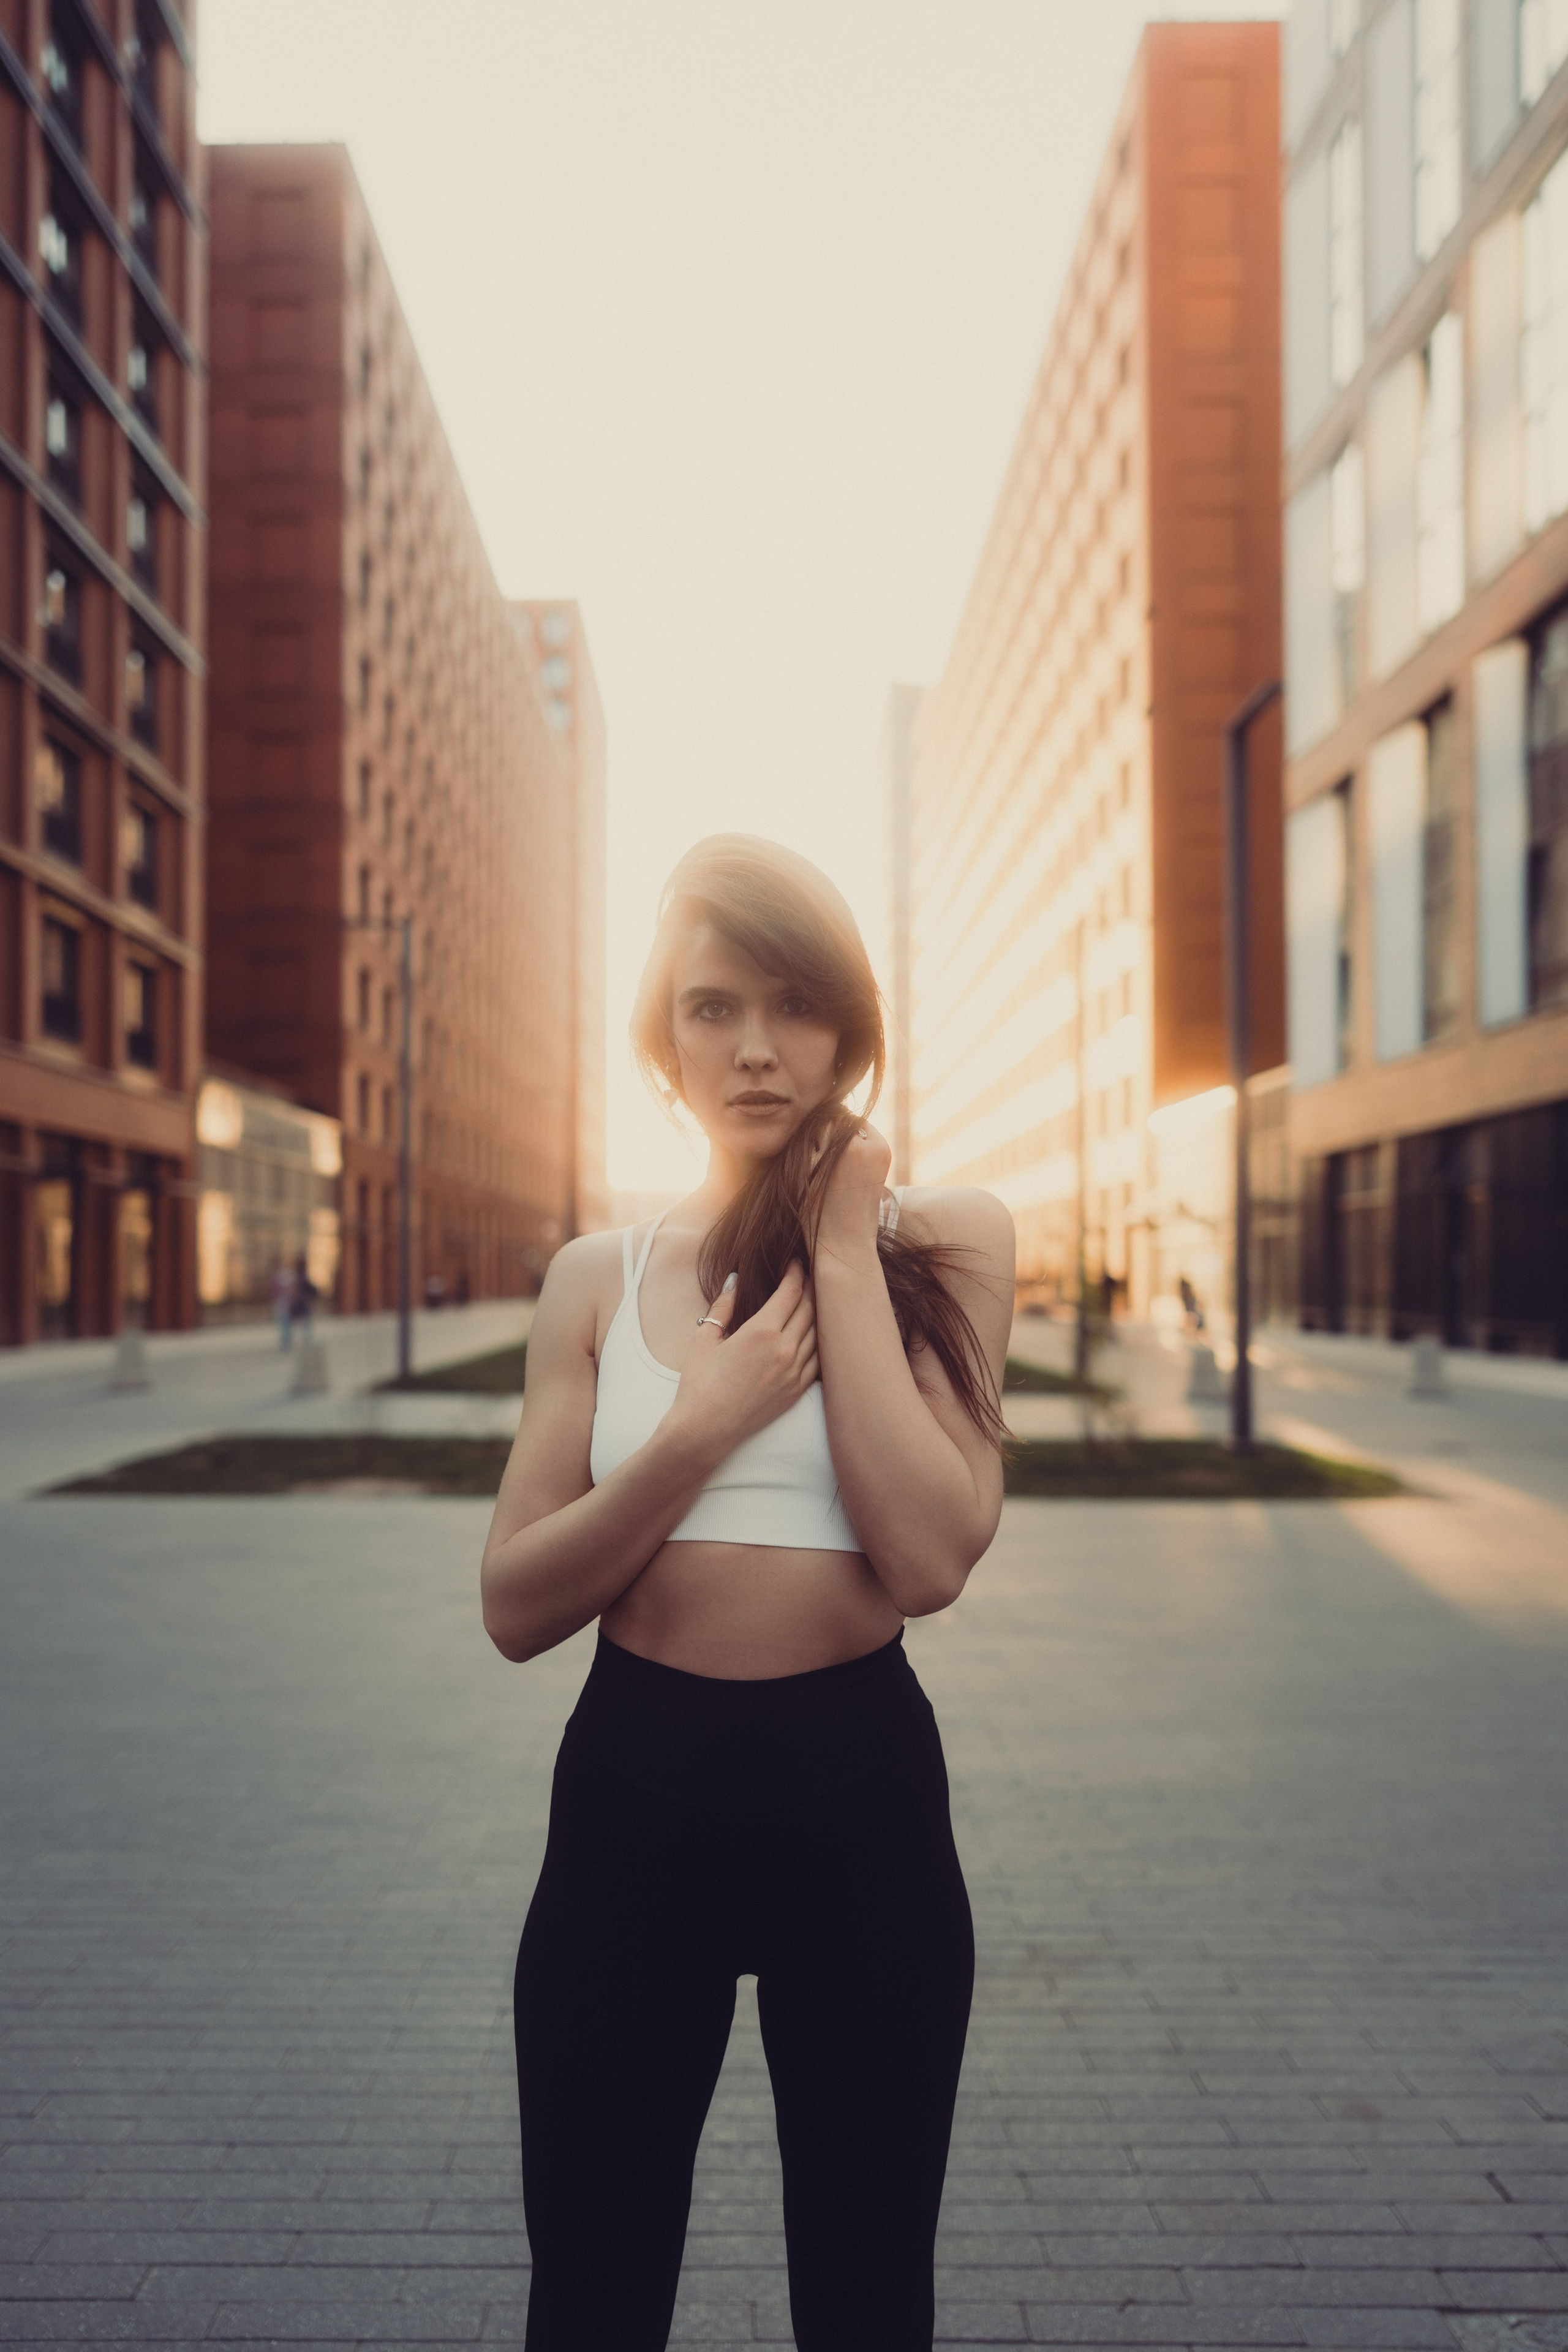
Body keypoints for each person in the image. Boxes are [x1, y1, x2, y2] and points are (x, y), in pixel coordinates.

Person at [481, 836, 1014, 2351]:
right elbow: (516, 1601)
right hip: (630, 1799)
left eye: (794, 1006)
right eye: (713, 1008)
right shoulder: (598, 1274)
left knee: (865, 2296)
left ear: (850, 1027)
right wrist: (698, 1426)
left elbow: (924, 1558)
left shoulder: (947, 1241)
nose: (757, 1049)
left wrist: (840, 1244)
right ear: (661, 1036)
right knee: (590, 2290)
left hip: (861, 1802)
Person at [288, 1253, 317, 1340]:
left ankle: (292, 1338)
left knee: (297, 1322)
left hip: (299, 1301)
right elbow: (309, 1287)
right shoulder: (302, 1276)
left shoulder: (296, 1275)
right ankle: (306, 1338)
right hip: (302, 1301)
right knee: (305, 1321)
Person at [270, 1261, 295, 1351]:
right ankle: (286, 1340)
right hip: (281, 1303)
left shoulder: (283, 1278)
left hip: (283, 1303)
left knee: (285, 1323)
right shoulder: (280, 1278)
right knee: (284, 1323)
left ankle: (286, 1340)